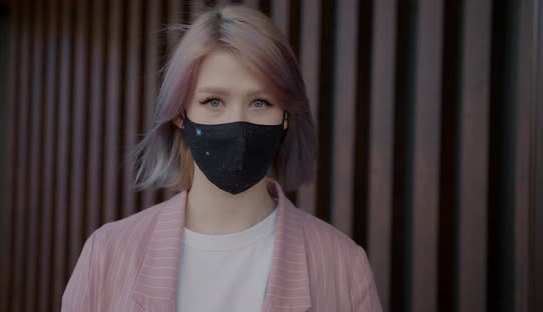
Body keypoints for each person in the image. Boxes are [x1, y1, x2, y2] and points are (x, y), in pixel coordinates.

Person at [62, 4, 382, 312]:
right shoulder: (106, 255)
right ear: (180, 113)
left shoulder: (342, 265)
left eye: (260, 102)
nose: (238, 124)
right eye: (214, 101)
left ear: (286, 115)